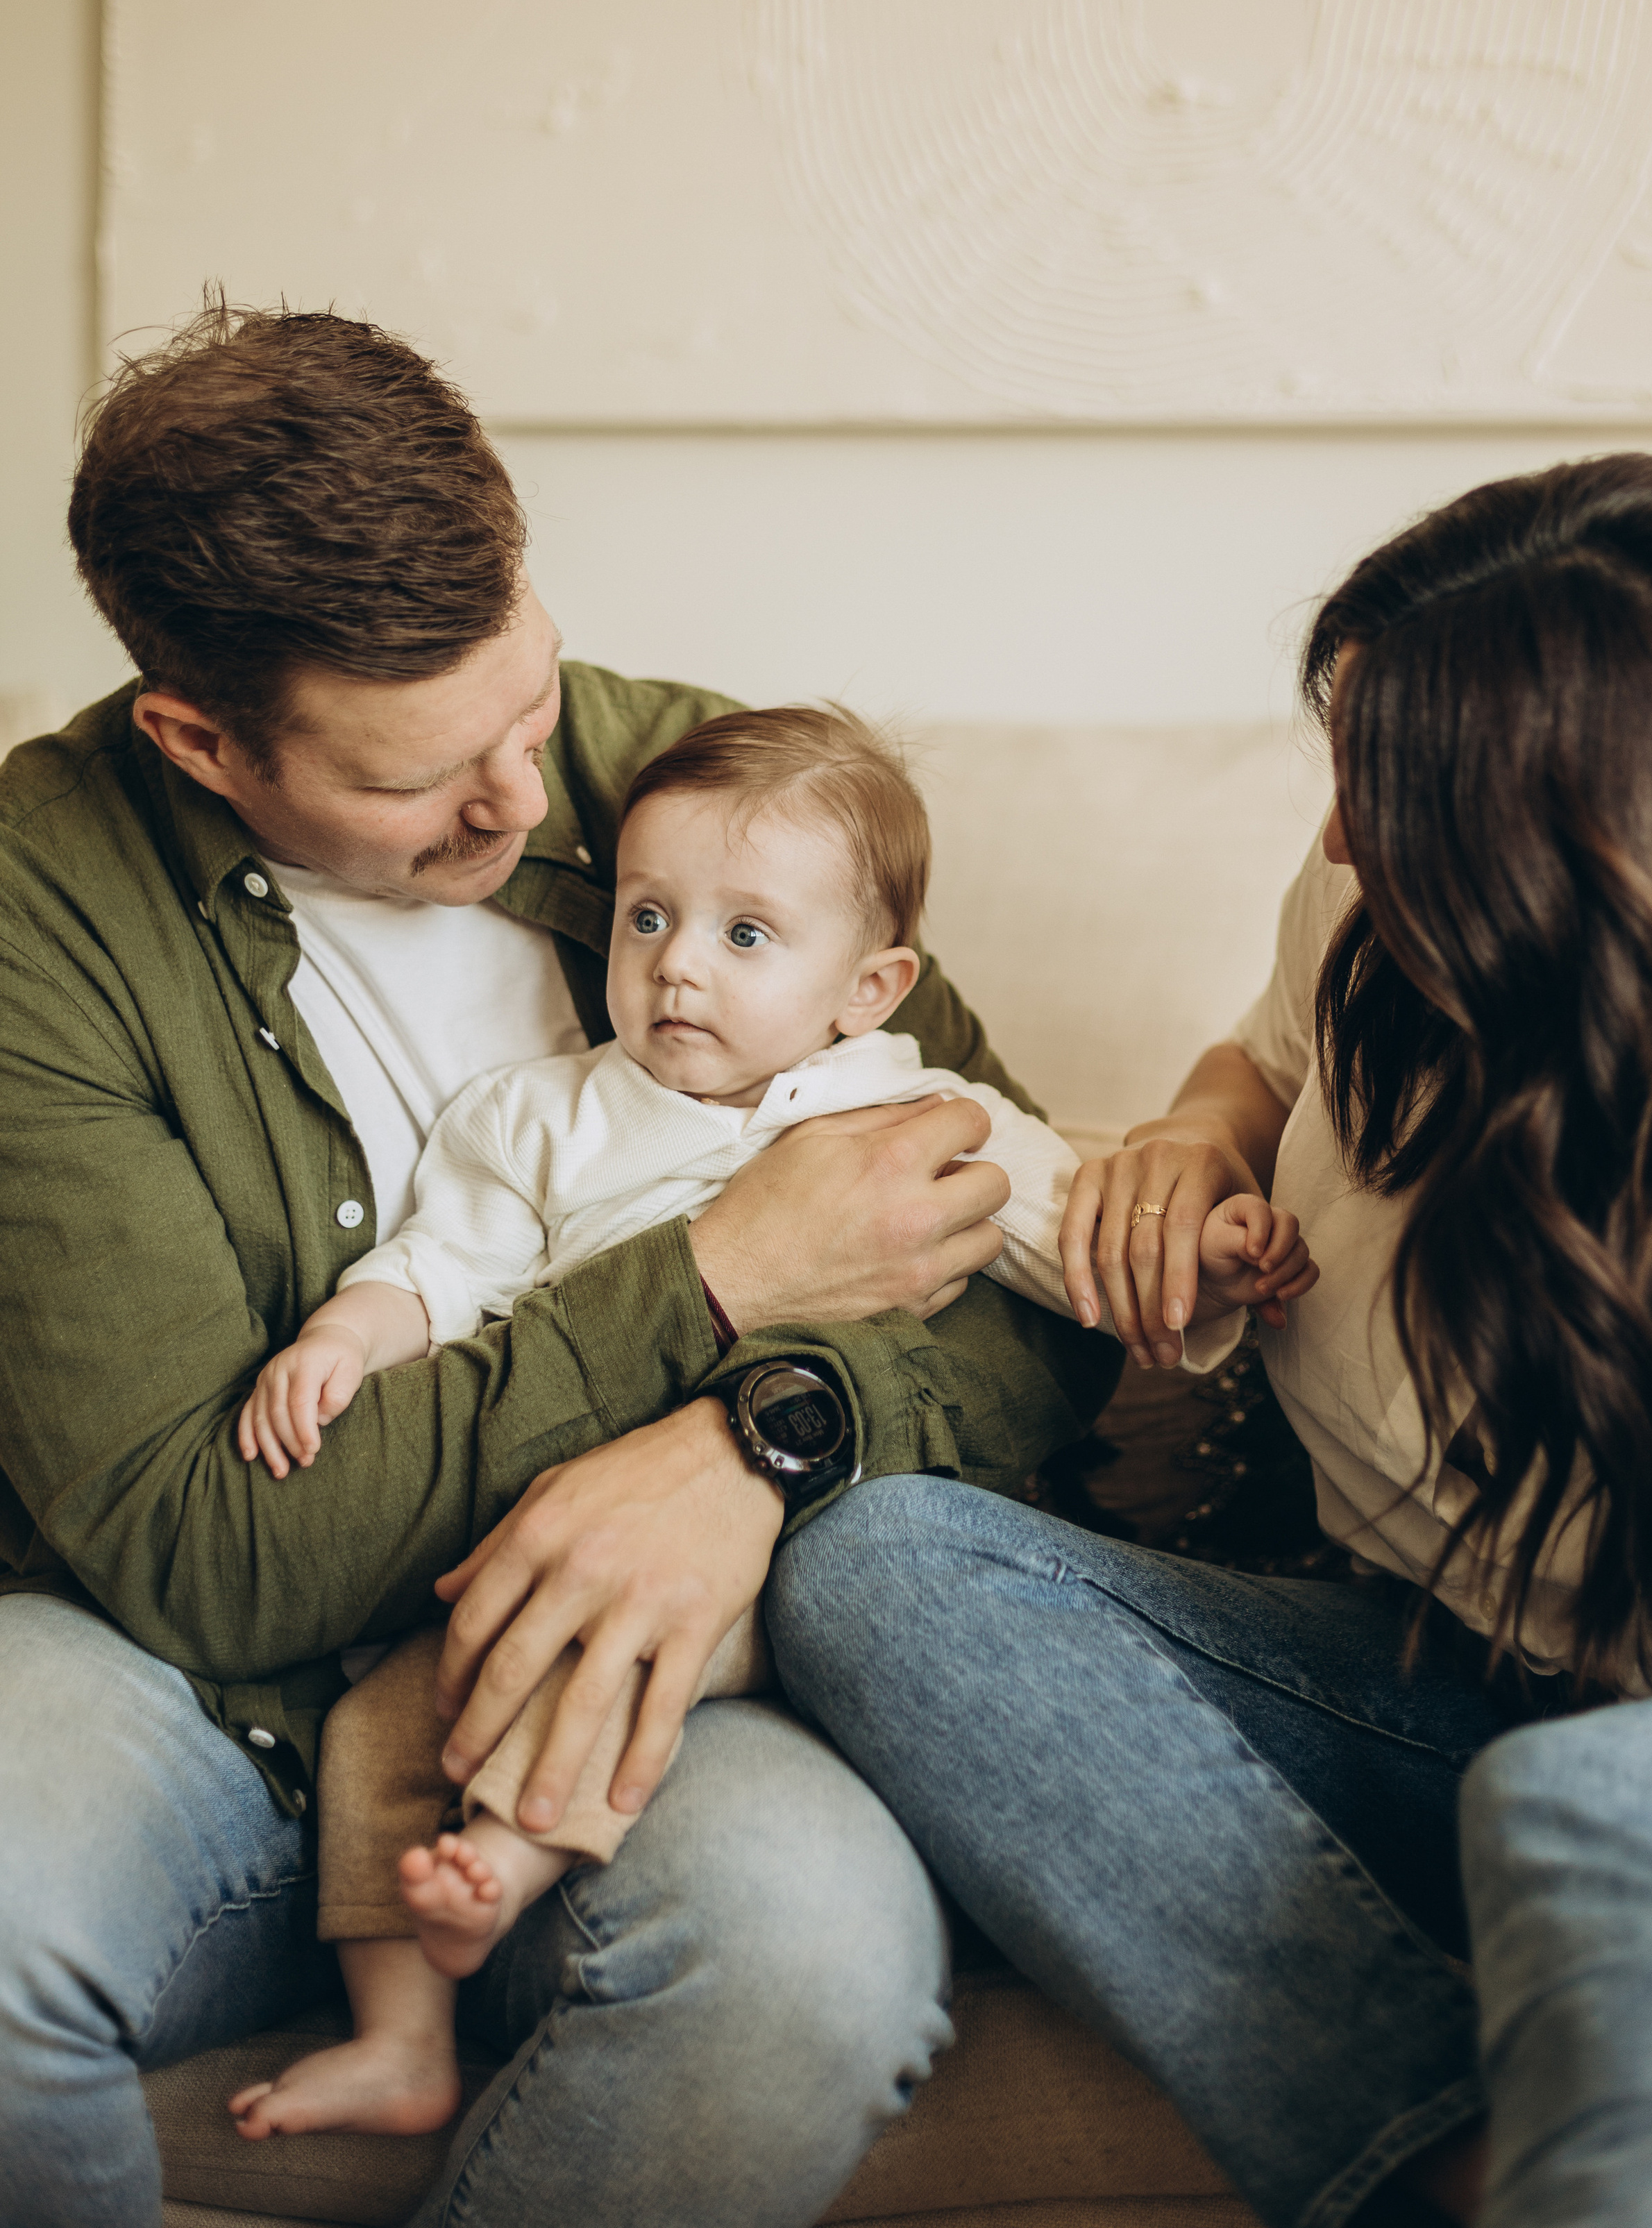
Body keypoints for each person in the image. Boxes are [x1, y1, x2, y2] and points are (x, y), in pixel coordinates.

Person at [0, 297, 1131, 2228]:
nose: (528, 804)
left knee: (805, 1971)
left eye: (521, 701)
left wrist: (758, 1438)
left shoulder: (695, 791)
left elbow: (1029, 1308)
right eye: (420, 781)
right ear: (202, 738)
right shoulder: (43, 907)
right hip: (178, 1687)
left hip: (639, 1693)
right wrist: (706, 1280)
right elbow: (205, 1547)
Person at [768, 451, 1652, 2228]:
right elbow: (1262, 1063)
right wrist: (1190, 1139)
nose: (1328, 834)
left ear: (1592, 864)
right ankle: (1431, 2171)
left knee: (1596, 1800)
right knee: (880, 1569)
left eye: (1389, 792)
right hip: (1418, 1676)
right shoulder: (1373, 922)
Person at [225, 699, 1308, 2144]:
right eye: (648, 919)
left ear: (868, 988)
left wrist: (1217, 1254)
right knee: (380, 1718)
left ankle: (522, 1853)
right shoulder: (543, 1119)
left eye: (746, 937)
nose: (677, 965)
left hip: (806, 1549)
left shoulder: (923, 1111)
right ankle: (402, 2033)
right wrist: (344, 1336)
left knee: (635, 1652)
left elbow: (1082, 1254)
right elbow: (444, 1265)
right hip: (564, 1522)